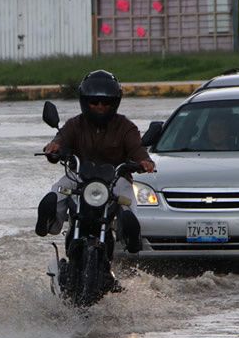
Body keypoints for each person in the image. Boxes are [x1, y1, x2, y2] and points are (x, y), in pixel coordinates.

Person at [35, 70, 156, 253]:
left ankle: (131, 235)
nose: (100, 106)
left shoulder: (126, 127)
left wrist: (144, 161)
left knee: (129, 203)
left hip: (116, 180)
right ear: (85, 102)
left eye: (106, 102)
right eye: (94, 102)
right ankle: (49, 222)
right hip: (79, 179)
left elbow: (137, 149)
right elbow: (60, 140)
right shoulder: (75, 124)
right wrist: (53, 148)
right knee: (58, 190)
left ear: (114, 103)